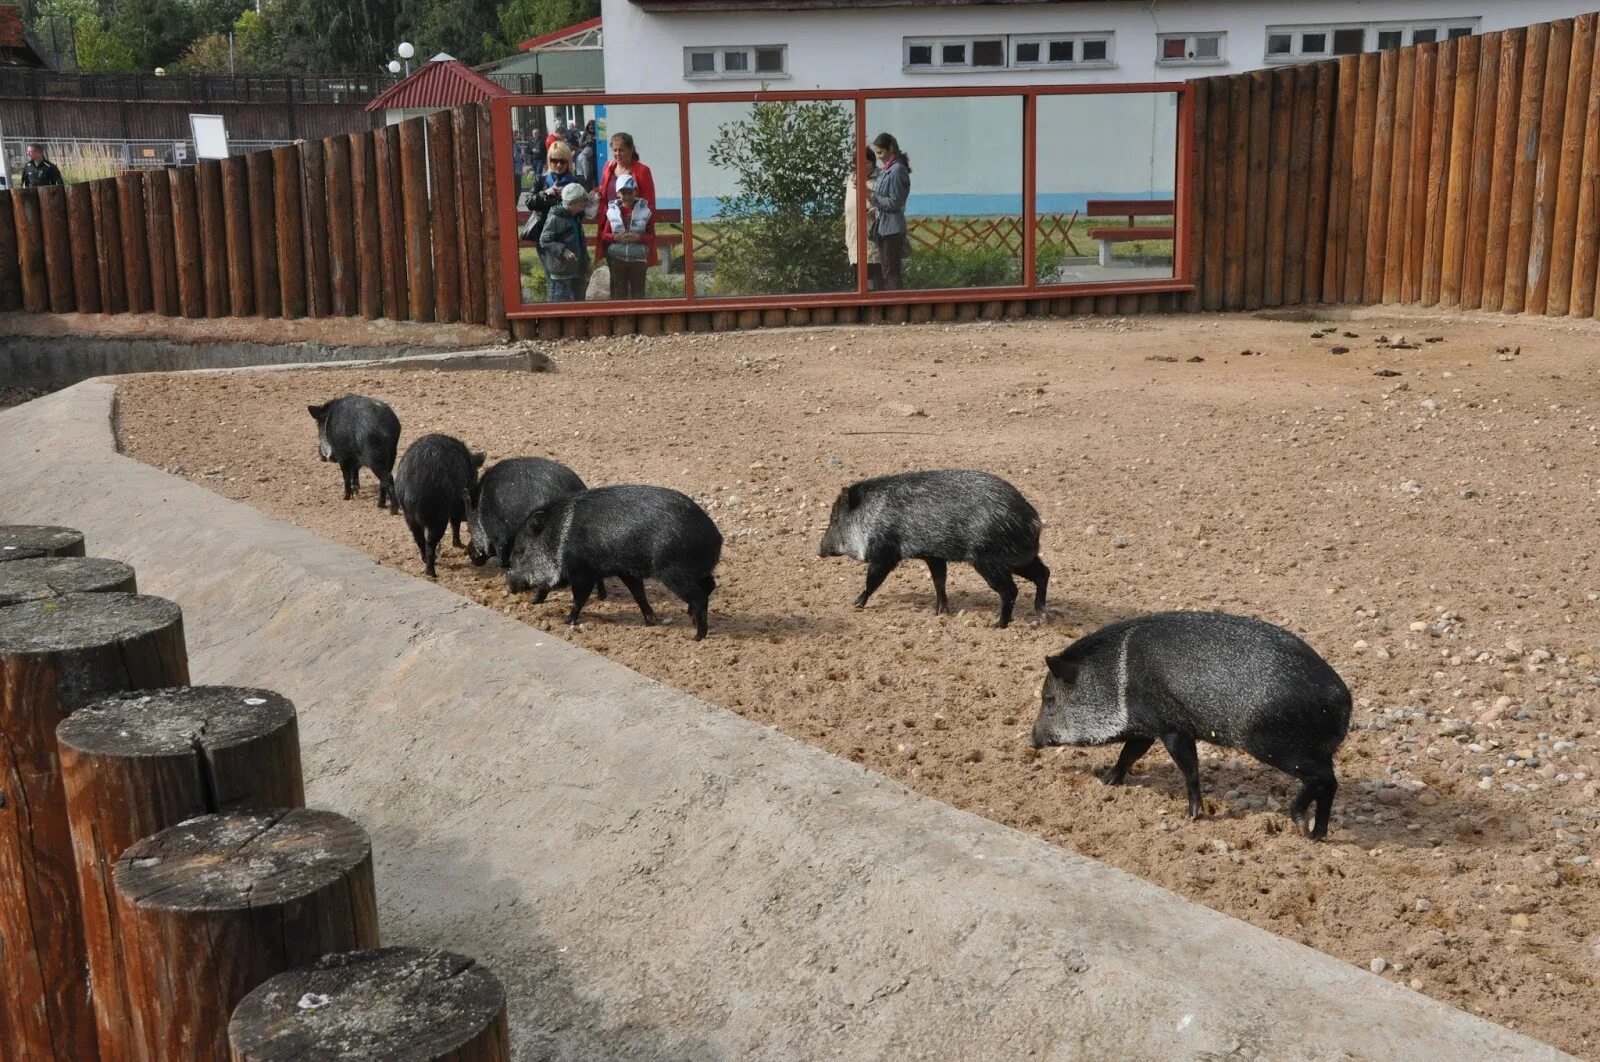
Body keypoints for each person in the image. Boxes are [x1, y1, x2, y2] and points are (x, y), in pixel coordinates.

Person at [596, 131, 658, 279]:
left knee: (636, 279)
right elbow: (603, 191)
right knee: (616, 279)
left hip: (635, 231)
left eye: (621, 149)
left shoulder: (642, 171)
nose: (618, 153)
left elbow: (650, 203)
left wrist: (639, 233)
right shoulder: (608, 168)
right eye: (615, 150)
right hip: (612, 228)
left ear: (631, 150)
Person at [868, 132, 911, 290]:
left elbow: (895, 202)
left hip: (892, 228)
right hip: (883, 226)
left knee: (891, 272)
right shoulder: (887, 170)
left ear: (891, 148)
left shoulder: (897, 170)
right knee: (886, 272)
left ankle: (896, 307)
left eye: (880, 152)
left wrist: (872, 197)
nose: (878, 157)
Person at [603, 174, 655, 300]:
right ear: (618, 193)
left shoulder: (645, 211)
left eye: (630, 192)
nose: (627, 197)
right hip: (618, 259)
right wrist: (616, 237)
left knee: (638, 293)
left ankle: (639, 318)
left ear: (635, 191)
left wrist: (638, 238)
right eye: (624, 193)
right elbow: (604, 235)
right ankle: (621, 319)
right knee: (619, 293)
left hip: (638, 259)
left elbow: (651, 236)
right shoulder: (612, 212)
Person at [540, 182, 591, 302]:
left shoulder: (574, 216)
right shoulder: (555, 218)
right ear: (570, 203)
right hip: (561, 271)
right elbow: (544, 240)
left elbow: (580, 241)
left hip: (576, 268)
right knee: (561, 301)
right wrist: (563, 250)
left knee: (579, 300)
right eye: (581, 205)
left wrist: (586, 261)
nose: (583, 207)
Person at [843, 146, 882, 290]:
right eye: (858, 163)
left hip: (874, 237)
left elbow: (885, 204)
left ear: (873, 162)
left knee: (876, 282)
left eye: (866, 163)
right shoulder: (850, 182)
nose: (862, 167)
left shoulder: (880, 180)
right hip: (855, 237)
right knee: (859, 283)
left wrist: (871, 210)